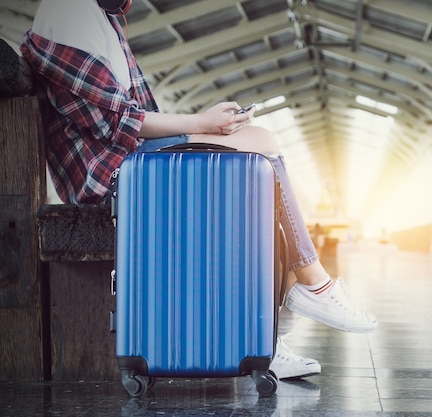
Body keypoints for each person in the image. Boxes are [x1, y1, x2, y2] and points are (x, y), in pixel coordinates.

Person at [20, 0, 377, 380]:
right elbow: (120, 121)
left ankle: (270, 334)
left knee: (251, 176)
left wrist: (207, 126)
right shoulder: (69, 11)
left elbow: (128, 116)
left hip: (131, 165)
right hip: (112, 176)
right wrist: (201, 123)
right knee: (262, 145)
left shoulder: (101, 17)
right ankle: (308, 289)